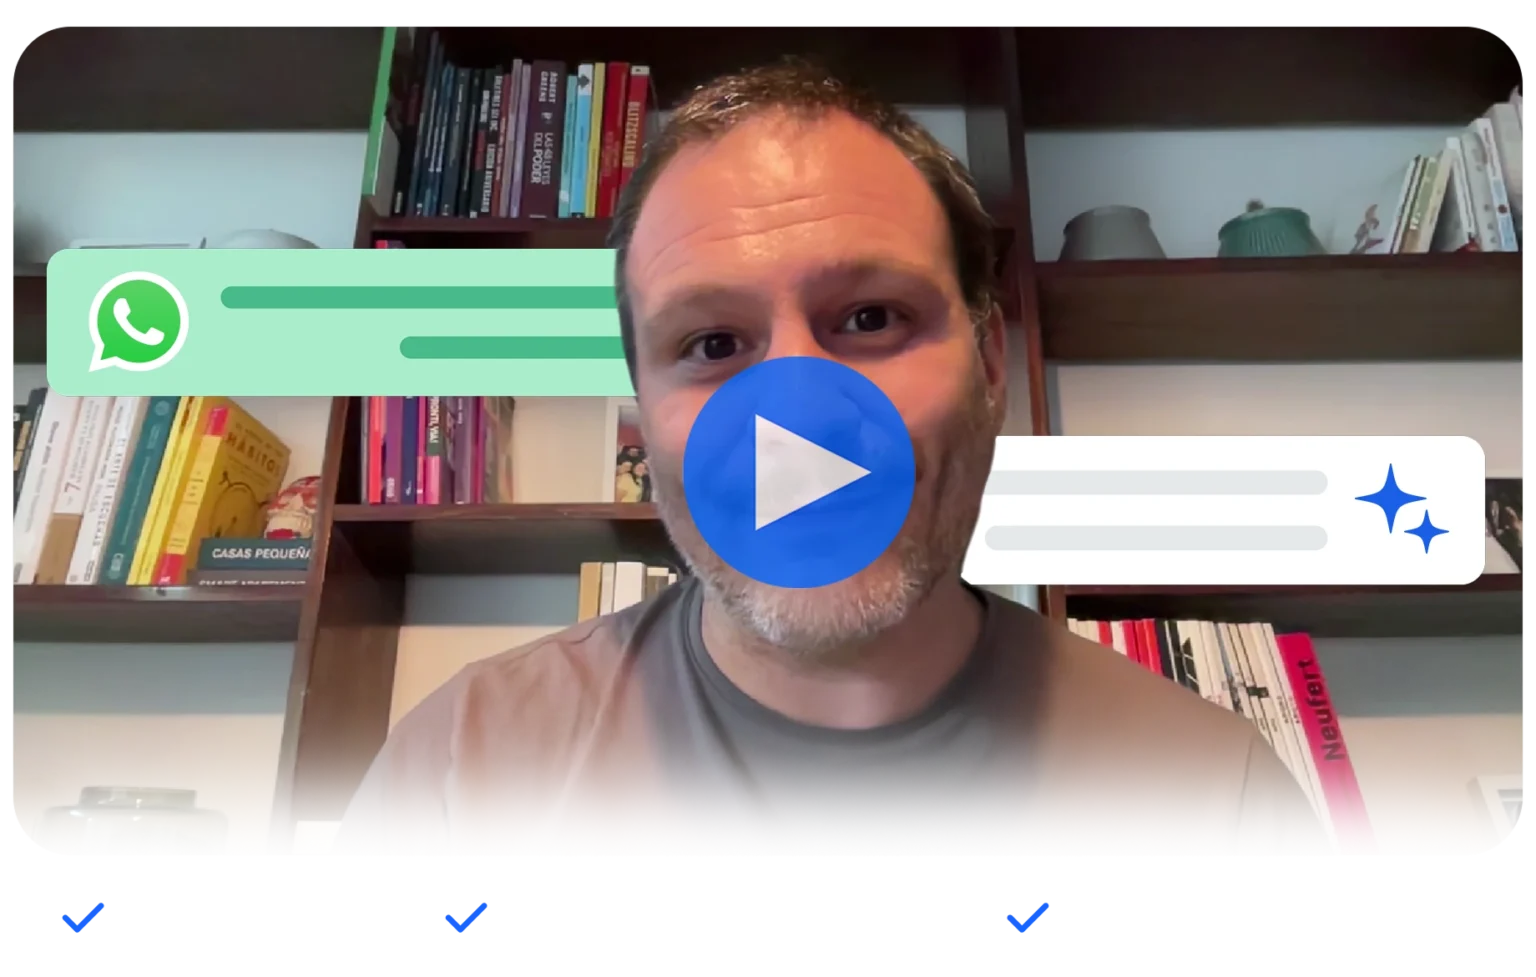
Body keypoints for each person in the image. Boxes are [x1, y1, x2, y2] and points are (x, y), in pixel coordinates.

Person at [334, 60, 1329, 856]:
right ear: (645, 410)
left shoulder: (1223, 809)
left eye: (870, 318)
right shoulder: (452, 783)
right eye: (712, 343)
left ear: (990, 363)